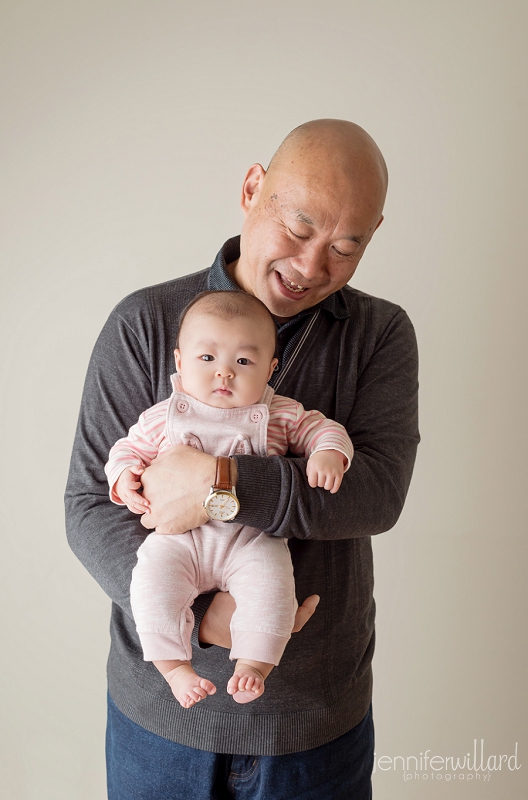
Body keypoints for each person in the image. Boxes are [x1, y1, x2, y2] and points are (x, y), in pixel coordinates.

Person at [65, 118, 420, 799]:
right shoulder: (145, 323)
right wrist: (203, 620)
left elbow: (376, 494)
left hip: (314, 728)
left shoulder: (380, 334)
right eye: (299, 226)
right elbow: (88, 505)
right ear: (253, 188)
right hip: (160, 722)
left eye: (347, 248)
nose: (313, 266)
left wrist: (220, 483)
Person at [105, 290, 353, 708]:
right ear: (180, 362)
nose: (224, 374)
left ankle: (253, 667)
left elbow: (322, 428)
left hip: (251, 539)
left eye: (243, 362)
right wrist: (124, 477)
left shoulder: (279, 412)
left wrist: (329, 452)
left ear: (270, 369)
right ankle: (174, 668)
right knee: (151, 584)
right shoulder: (162, 416)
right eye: (207, 360)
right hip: (179, 540)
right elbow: (125, 451)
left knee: (273, 590)